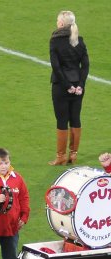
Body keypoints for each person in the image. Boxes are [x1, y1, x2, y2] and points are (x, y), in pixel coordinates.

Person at [49, 10, 89, 166]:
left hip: (61, 86)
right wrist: (80, 86)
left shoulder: (55, 41)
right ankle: (73, 155)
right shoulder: (79, 40)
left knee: (62, 120)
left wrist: (67, 86)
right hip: (78, 87)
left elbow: (56, 67)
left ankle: (60, 157)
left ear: (60, 24)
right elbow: (85, 66)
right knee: (75, 118)